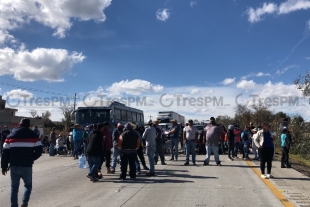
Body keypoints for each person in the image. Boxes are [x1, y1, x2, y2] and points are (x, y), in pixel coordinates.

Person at [1, 118, 43, 207]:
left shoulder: (10, 136)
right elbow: (39, 150)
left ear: (19, 124)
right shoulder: (34, 136)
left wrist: (4, 167)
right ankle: (24, 202)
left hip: (14, 166)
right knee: (28, 185)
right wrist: (31, 158)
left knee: (14, 188)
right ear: (29, 126)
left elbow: (4, 153)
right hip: (27, 165)